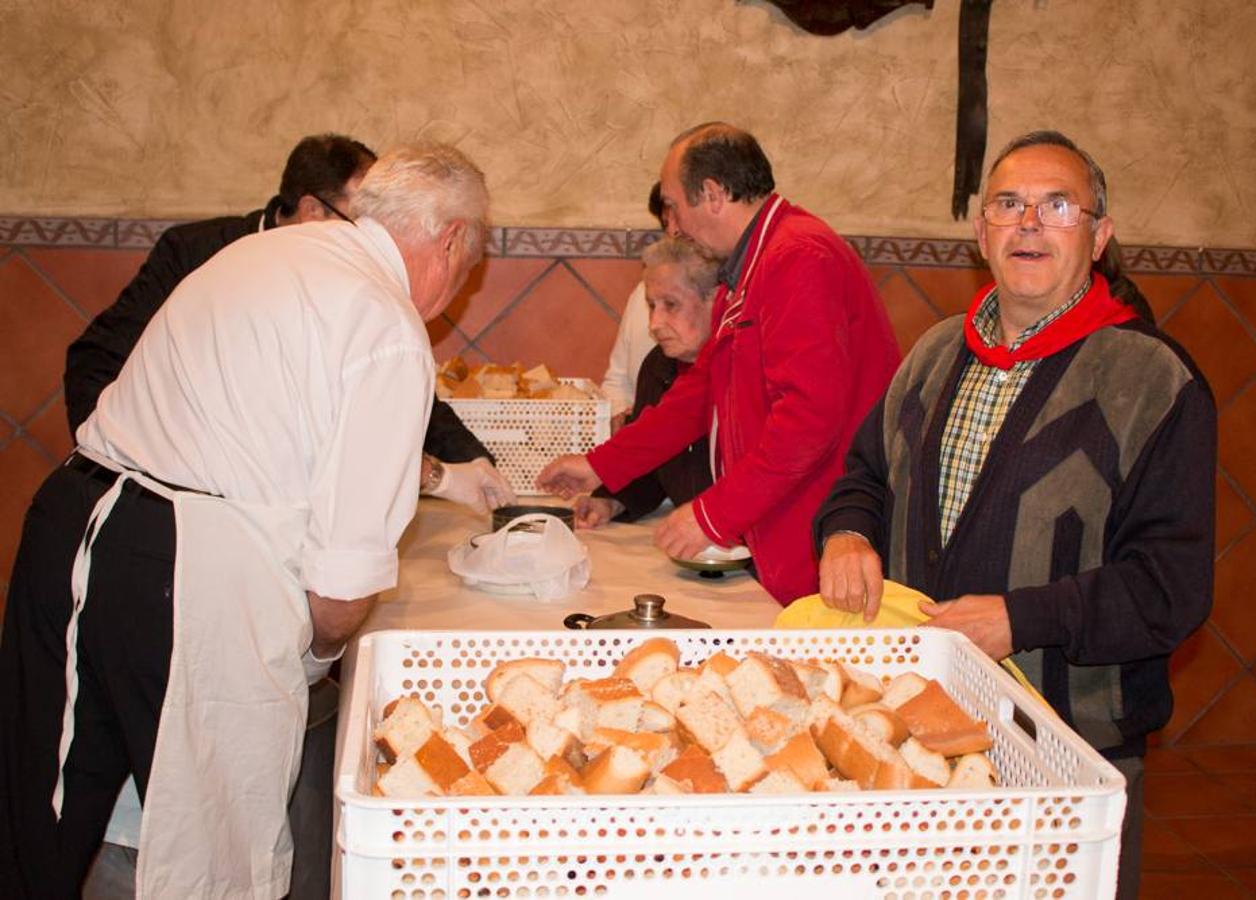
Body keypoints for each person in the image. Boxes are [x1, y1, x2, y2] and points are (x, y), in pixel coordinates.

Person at [0, 142, 491, 897]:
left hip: (70, 519)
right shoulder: (387, 325)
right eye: (471, 261)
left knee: (49, 815)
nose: (459, 285)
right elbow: (342, 582)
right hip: (178, 573)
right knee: (216, 847)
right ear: (453, 239)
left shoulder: (259, 253)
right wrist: (317, 658)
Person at [812, 130, 1215, 899]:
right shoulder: (932, 354)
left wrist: (1019, 619)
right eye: (1007, 204)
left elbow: (1172, 586)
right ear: (980, 231)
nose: (1028, 222)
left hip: (1064, 749)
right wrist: (847, 532)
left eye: (1056, 205)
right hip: (917, 735)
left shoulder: (1152, 381)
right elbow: (862, 476)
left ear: (1098, 237)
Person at [538, 122, 900, 604]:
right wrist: (600, 465)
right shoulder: (748, 268)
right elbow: (699, 392)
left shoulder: (798, 257)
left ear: (711, 194)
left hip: (818, 528)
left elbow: (807, 422)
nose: (673, 223)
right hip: (781, 522)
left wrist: (712, 514)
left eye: (673, 204)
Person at [62, 133, 506, 508]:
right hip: (136, 505)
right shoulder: (202, 252)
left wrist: (463, 465)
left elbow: (379, 399)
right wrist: (128, 464)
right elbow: (96, 358)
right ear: (314, 211)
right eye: (365, 219)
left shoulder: (349, 287)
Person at [575, 236, 718, 527]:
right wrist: (612, 501)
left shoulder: (743, 370)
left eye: (671, 305)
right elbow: (652, 467)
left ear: (714, 300)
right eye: (652, 305)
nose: (654, 323)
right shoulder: (658, 365)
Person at [599, 182, 665, 429]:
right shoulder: (641, 294)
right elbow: (617, 380)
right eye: (668, 222)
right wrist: (617, 412)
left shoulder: (721, 297)